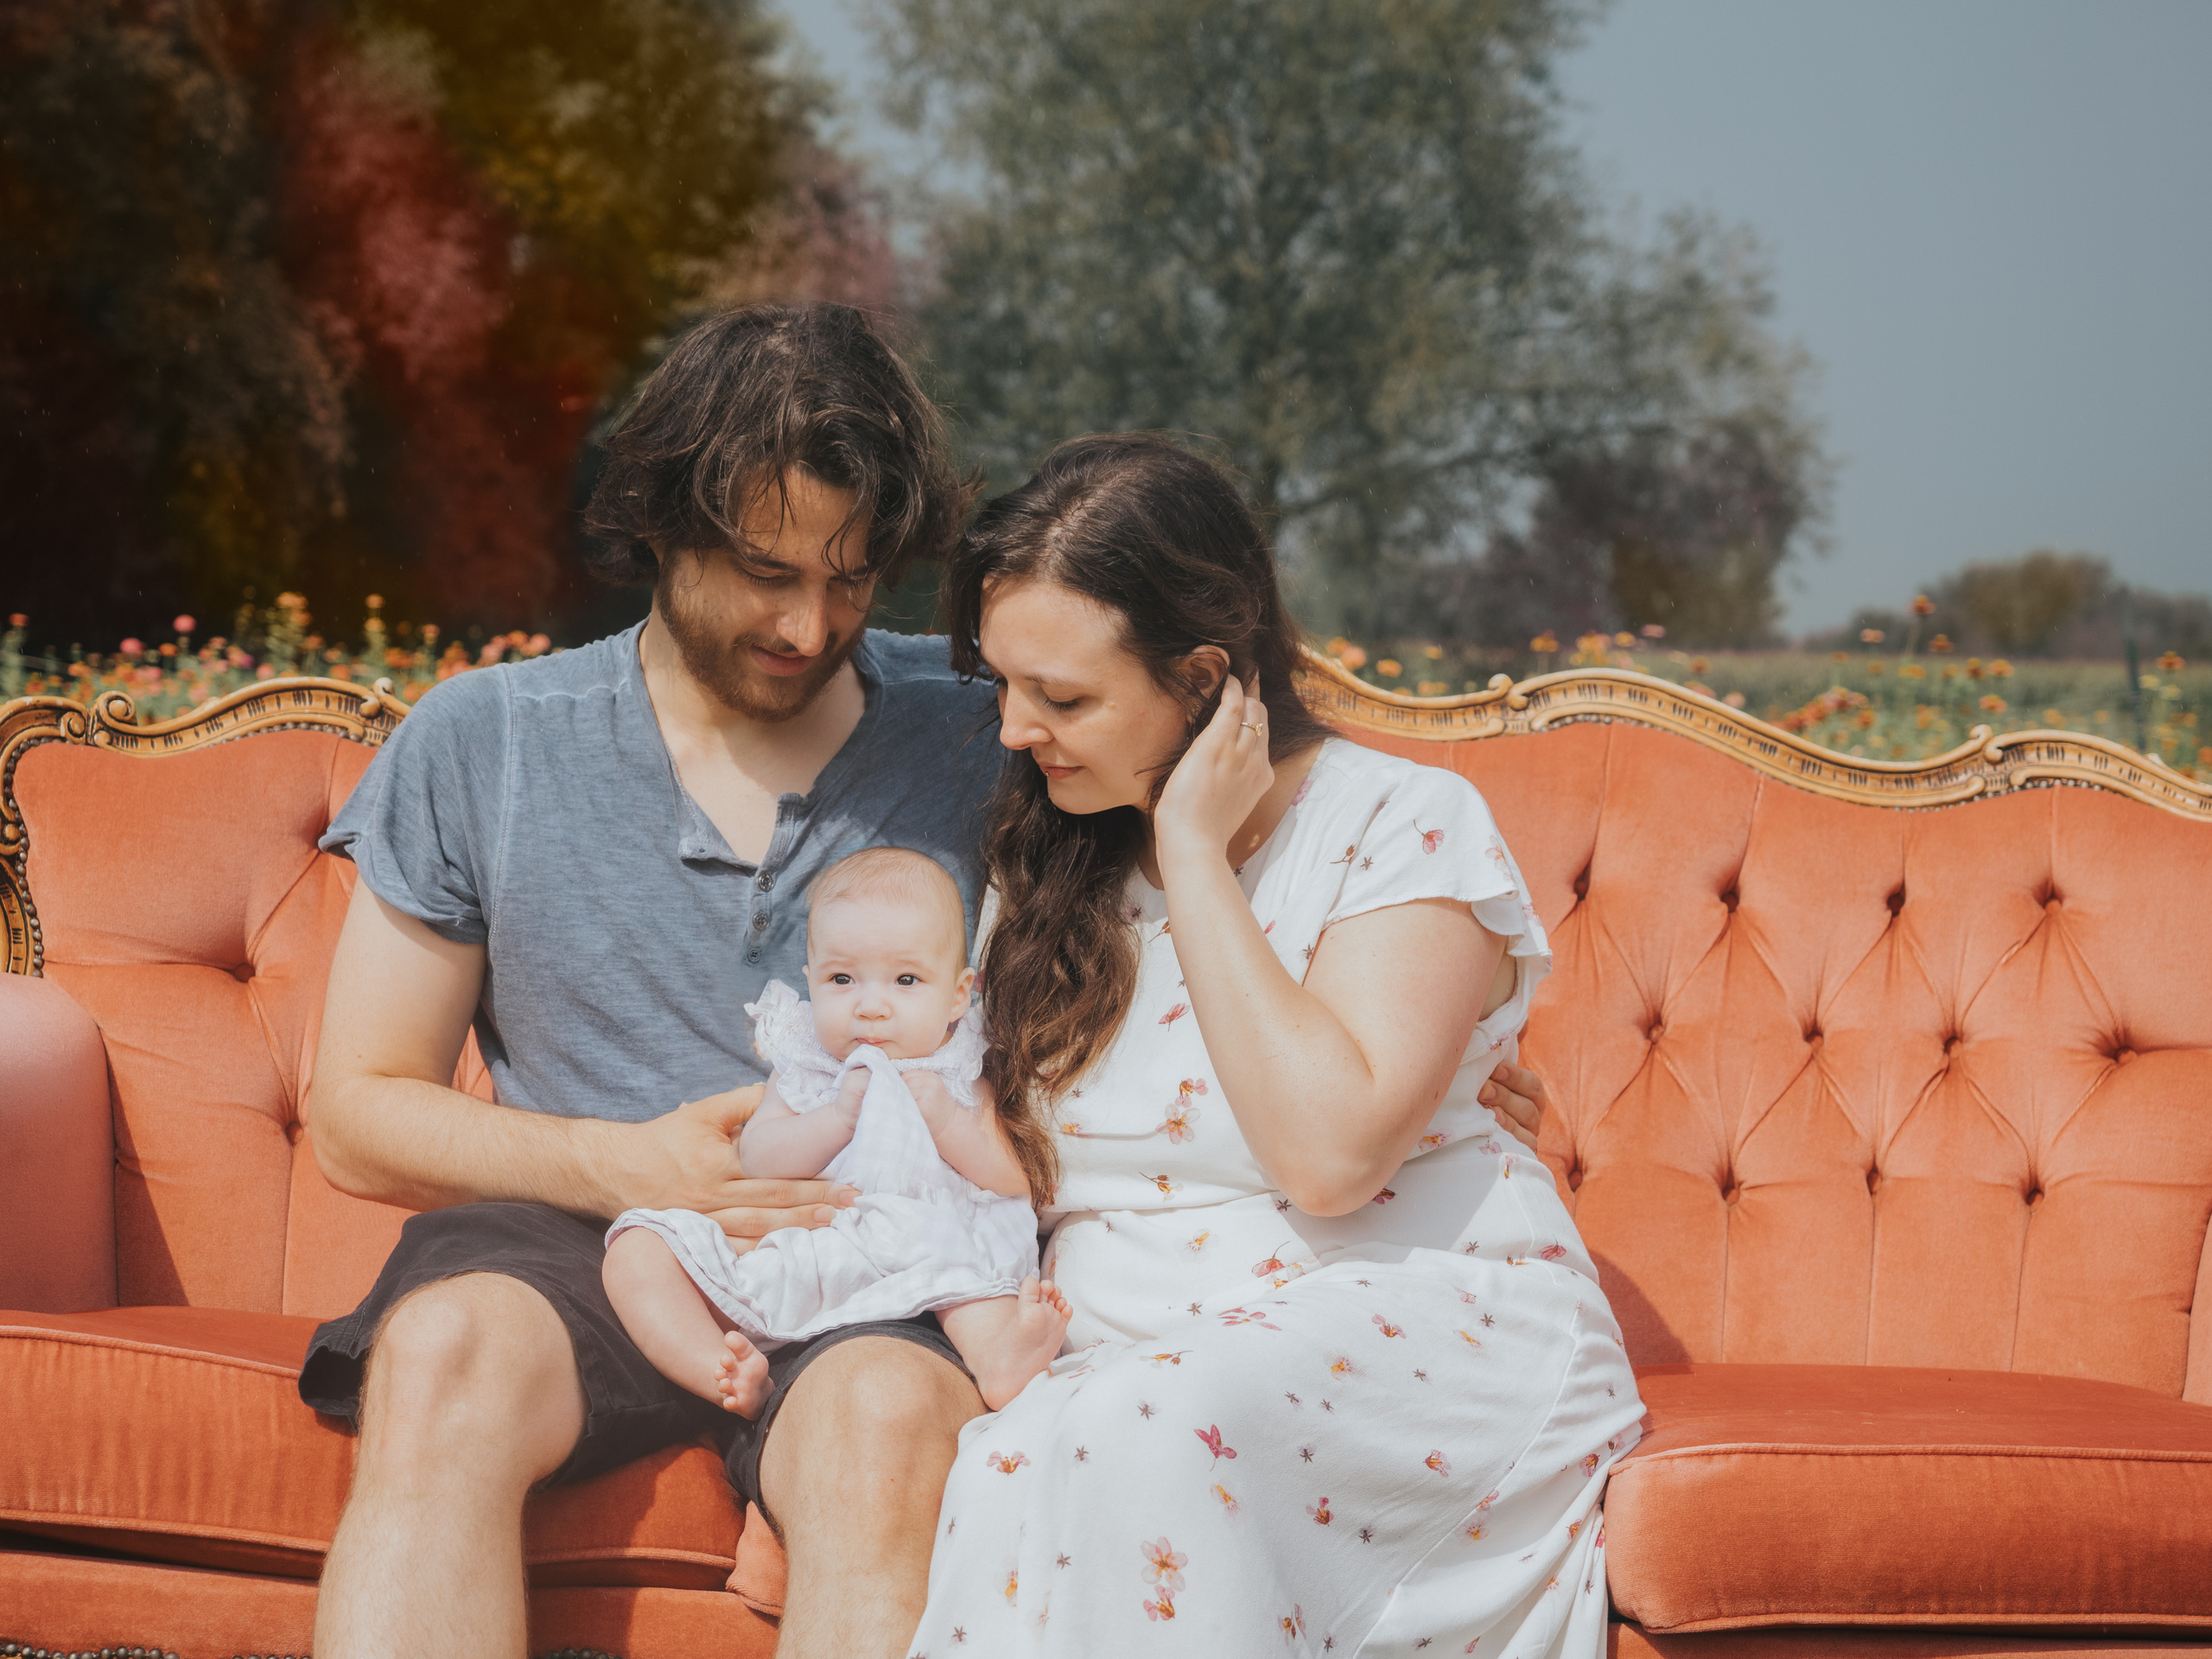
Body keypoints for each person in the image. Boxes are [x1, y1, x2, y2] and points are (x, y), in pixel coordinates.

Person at [296, 301, 1550, 1659]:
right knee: (441, 1359)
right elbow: (357, 1114)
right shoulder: (485, 742)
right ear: (656, 523)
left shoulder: (988, 727)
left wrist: (1442, 1066)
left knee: (885, 1431)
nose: (807, 622)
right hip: (591, 1238)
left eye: (851, 579)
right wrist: (629, 1170)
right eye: (763, 569)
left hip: (898, 1259)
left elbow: (1261, 808)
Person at [907, 433, 1643, 1655]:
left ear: (1204, 680)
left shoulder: (1401, 823)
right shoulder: (1045, 853)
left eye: (1065, 698)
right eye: (1003, 688)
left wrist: (1193, 853)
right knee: (1026, 1461)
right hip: (1129, 1362)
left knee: (1149, 1429)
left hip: (1402, 1332)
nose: (1013, 733)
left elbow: (1329, 1159)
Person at [601, 845, 1072, 1417]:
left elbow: (1009, 1179)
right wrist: (832, 1121)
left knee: (971, 1283)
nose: (871, 1007)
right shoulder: (808, 1063)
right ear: (811, 980)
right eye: (843, 978)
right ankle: (722, 1368)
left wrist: (951, 1123)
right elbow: (759, 1156)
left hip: (926, 1241)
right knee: (635, 1249)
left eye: (905, 979)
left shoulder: (956, 1064)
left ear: (957, 994)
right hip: (815, 1244)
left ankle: (1001, 1359)